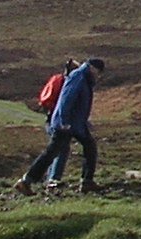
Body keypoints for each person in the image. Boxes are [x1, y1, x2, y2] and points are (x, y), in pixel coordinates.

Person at [17, 56, 105, 194]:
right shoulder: (78, 77)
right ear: (92, 68)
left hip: (75, 123)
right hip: (67, 123)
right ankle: (26, 181)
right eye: (98, 72)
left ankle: (87, 181)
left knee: (89, 147)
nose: (98, 76)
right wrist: (63, 120)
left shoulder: (83, 77)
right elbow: (67, 98)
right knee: (53, 151)